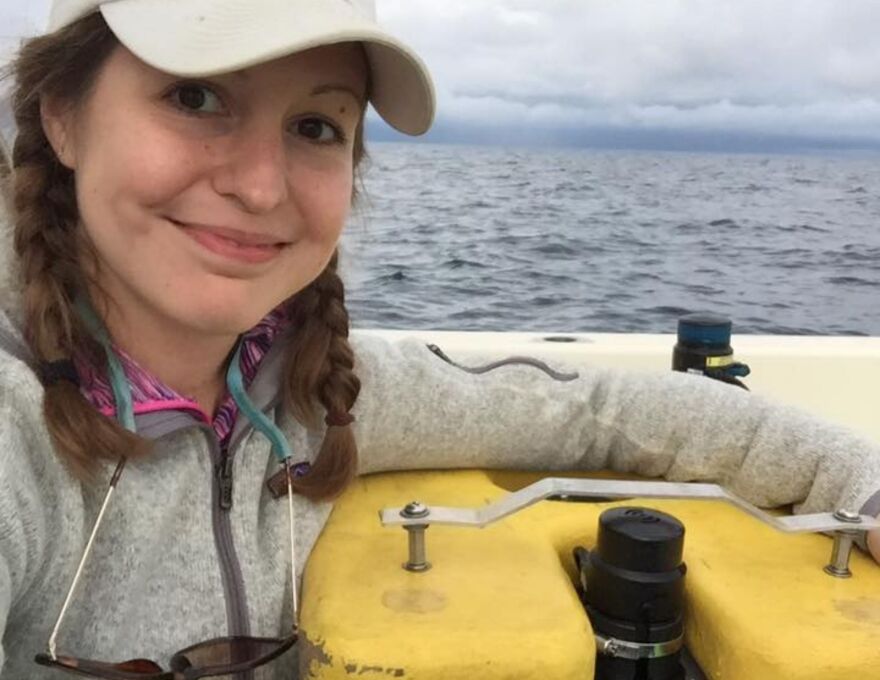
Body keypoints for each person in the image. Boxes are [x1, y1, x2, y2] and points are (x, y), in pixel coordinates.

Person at [0, 1, 878, 678]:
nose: (262, 187)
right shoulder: (17, 427)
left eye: (315, 127)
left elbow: (601, 411)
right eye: (195, 97)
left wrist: (862, 488)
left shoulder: (317, 393)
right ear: (62, 115)